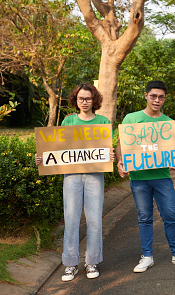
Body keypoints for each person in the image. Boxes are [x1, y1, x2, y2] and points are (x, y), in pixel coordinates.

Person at [116, 80, 175, 273]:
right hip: (138, 178)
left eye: (161, 97)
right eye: (153, 96)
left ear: (164, 99)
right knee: (144, 217)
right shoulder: (131, 118)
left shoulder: (168, 123)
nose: (157, 100)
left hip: (162, 177)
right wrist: (120, 162)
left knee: (170, 215)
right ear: (146, 96)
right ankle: (147, 256)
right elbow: (121, 145)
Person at [35, 83, 114, 281]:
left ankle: (91, 261)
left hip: (95, 175)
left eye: (88, 98)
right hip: (71, 176)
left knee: (94, 219)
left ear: (94, 100)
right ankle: (70, 264)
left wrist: (110, 155)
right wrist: (43, 158)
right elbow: (59, 148)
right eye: (81, 98)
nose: (84, 102)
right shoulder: (68, 120)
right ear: (75, 100)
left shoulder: (103, 121)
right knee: (71, 219)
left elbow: (105, 149)